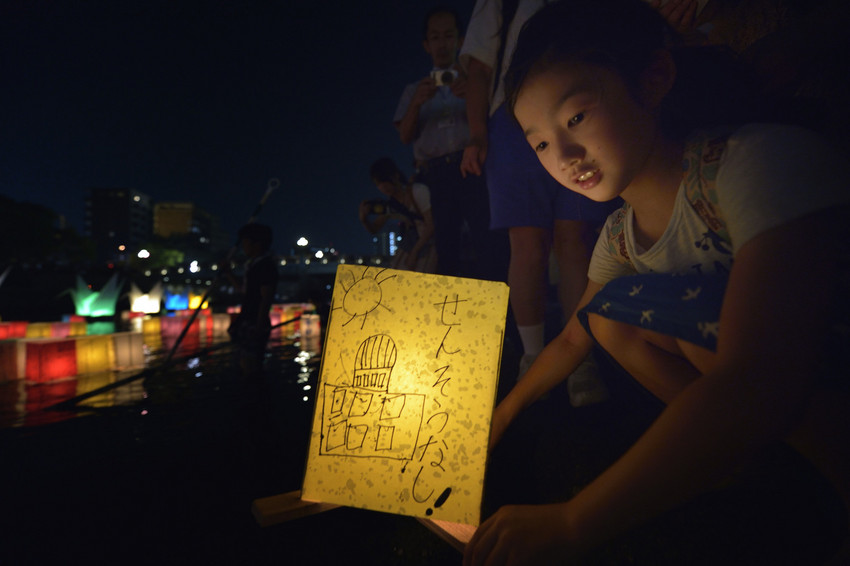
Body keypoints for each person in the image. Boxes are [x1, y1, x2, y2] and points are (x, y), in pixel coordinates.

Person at [463, 0, 850, 564]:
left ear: (654, 78)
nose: (565, 156)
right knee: (611, 317)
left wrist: (574, 522)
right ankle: (741, 457)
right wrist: (501, 414)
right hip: (777, 388)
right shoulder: (621, 234)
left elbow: (758, 372)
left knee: (651, 315)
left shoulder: (754, 164)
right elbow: (576, 336)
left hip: (809, 368)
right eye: (540, 143)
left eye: (576, 118)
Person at [459, 0, 619, 385]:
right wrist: (478, 134)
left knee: (575, 236)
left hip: (581, 100)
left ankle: (579, 357)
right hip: (513, 116)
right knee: (529, 241)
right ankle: (534, 360)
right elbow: (479, 69)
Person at [393, 6, 507, 280]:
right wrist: (417, 104)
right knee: (446, 248)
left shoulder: (477, 83)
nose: (442, 44)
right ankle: (449, 316)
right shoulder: (414, 90)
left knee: (488, 241)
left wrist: (473, 94)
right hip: (437, 173)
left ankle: (501, 314)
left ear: (459, 40)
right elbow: (404, 136)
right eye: (435, 37)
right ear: (426, 44)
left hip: (474, 166)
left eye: (448, 36)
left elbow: (497, 123)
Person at [360, 157, 438, 274]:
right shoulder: (392, 205)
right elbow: (374, 229)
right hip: (415, 243)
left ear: (395, 176)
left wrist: (414, 253)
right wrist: (364, 219)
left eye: (385, 180)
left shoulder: (417, 191)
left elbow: (431, 225)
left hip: (432, 243)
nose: (383, 186)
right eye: (378, 183)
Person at [224, 223, 278, 377]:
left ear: (257, 244)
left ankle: (255, 394)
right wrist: (228, 273)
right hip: (248, 320)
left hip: (253, 322)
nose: (243, 246)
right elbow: (245, 291)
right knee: (246, 362)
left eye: (246, 242)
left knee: (251, 365)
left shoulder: (265, 265)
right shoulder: (253, 265)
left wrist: (259, 327)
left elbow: (265, 298)